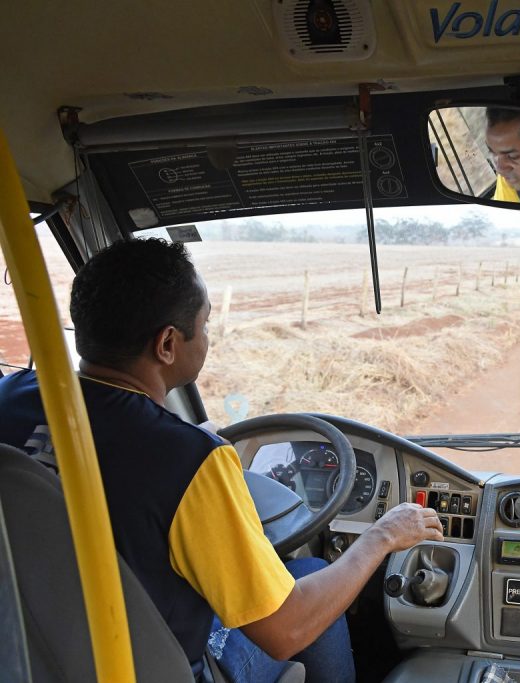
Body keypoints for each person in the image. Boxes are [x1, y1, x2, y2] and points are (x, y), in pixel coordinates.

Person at [0, 238, 444, 682]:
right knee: (310, 571)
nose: (208, 336)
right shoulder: (188, 462)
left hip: (28, 648)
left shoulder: (8, 399)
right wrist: (381, 536)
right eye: (206, 323)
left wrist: (188, 441)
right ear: (168, 344)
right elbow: (287, 629)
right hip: (146, 667)